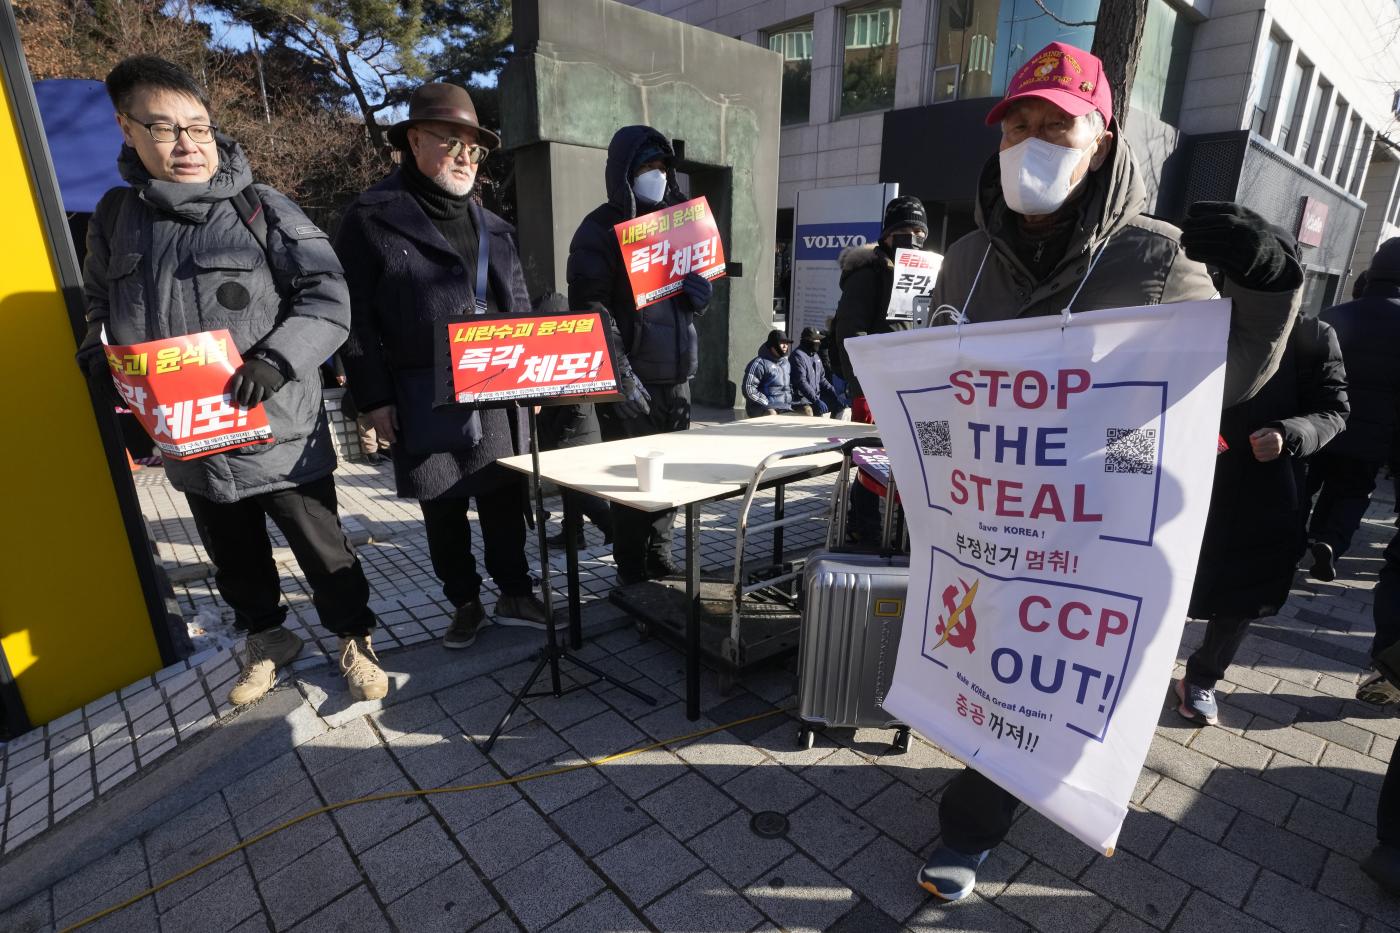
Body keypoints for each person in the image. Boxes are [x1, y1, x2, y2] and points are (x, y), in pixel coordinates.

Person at [913, 42, 1303, 903]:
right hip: (993, 514)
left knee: (1057, 673)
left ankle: (981, 816)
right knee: (986, 661)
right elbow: (938, 369)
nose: (1031, 141)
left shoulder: (1161, 256)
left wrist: (1273, 286)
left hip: (1101, 520)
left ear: (1103, 136)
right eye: (1017, 124)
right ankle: (983, 804)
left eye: (1056, 123)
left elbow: (1228, 374)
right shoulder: (968, 255)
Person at [78, 57, 387, 704]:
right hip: (191, 438)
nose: (188, 144)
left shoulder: (260, 207)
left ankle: (355, 636)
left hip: (278, 431)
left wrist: (275, 360)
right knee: (234, 558)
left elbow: (328, 295)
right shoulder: (114, 218)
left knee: (323, 549)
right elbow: (100, 306)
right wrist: (103, 368)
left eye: (199, 127)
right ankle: (267, 638)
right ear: (126, 129)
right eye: (164, 129)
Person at [335, 82, 549, 651]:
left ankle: (515, 590)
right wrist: (373, 399)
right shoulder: (370, 217)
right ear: (413, 139)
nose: (465, 157)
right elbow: (354, 321)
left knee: (505, 498)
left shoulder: (495, 227)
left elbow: (520, 310)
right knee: (443, 506)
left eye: (474, 148)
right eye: (450, 141)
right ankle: (464, 602)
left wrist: (533, 379)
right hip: (421, 391)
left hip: (501, 386)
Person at [1177, 314, 1347, 725]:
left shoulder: (1311, 335)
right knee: (1160, 578)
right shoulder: (1197, 314)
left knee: (1245, 592)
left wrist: (1290, 433)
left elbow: (1333, 411)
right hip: (1181, 475)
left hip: (1264, 487)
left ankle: (1203, 678)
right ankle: (1137, 669)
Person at [566, 125, 713, 585]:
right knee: (631, 487)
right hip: (632, 380)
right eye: (646, 167)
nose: (656, 175)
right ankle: (631, 572)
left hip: (676, 376)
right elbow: (590, 309)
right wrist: (618, 375)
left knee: (668, 481)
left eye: (662, 167)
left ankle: (661, 556)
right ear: (624, 172)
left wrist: (700, 296)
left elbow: (687, 304)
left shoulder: (681, 223)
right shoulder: (600, 228)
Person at [1305, 238, 1400, 582]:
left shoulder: (1333, 315)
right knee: (1351, 492)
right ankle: (1330, 541)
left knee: (1306, 485)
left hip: (1321, 425)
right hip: (1371, 437)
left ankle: (1294, 539)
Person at [831, 196, 928, 425]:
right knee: (873, 454)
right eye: (904, 230)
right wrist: (862, 389)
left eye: (919, 232)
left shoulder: (927, 274)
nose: (913, 237)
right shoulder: (867, 274)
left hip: (916, 387)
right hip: (877, 388)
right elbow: (851, 333)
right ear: (887, 235)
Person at [533, 292, 614, 550]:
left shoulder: (574, 350)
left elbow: (578, 405)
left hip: (574, 435)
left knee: (578, 491)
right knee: (569, 489)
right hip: (565, 432)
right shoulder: (553, 349)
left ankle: (611, 526)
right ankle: (573, 534)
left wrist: (559, 437)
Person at [742, 330, 795, 417]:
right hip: (761, 407)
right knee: (772, 414)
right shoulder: (759, 363)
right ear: (772, 345)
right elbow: (748, 389)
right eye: (782, 343)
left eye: (787, 343)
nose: (785, 346)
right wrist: (766, 403)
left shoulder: (786, 363)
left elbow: (790, 387)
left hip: (784, 406)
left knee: (806, 412)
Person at [790, 327, 841, 417]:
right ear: (806, 340)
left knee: (837, 407)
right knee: (808, 412)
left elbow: (822, 379)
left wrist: (835, 393)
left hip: (815, 398)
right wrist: (816, 400)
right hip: (800, 401)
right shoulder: (797, 356)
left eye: (819, 340)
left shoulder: (815, 356)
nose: (818, 342)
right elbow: (801, 382)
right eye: (815, 339)